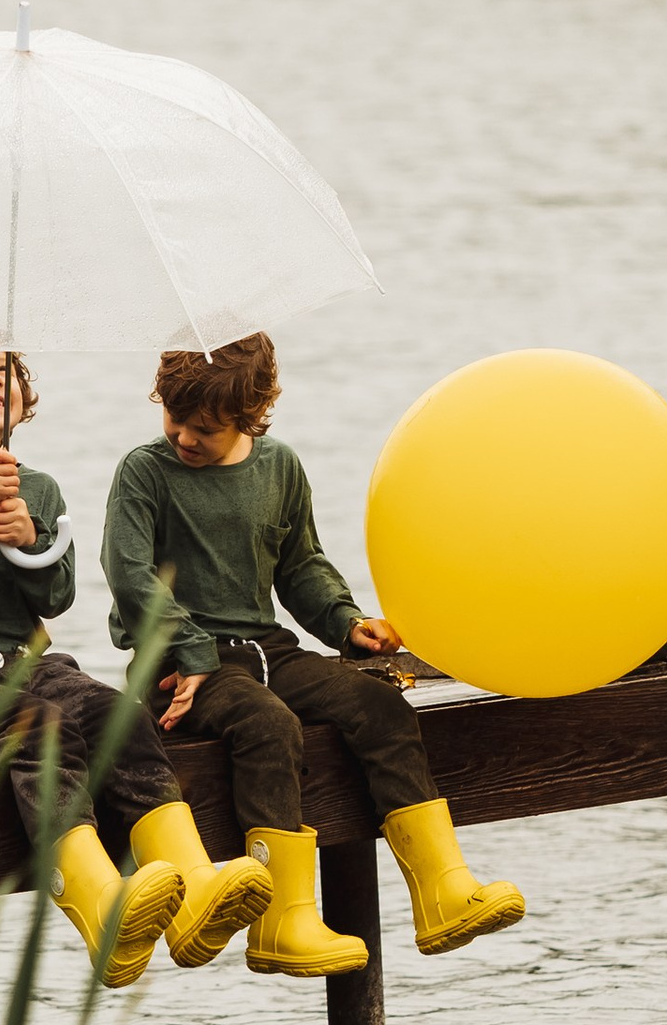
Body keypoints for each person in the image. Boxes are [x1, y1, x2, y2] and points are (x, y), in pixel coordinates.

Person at [101, 334, 524, 978]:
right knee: (268, 725)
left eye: (206, 429)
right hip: (178, 663)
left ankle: (442, 891)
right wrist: (188, 651)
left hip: (266, 649)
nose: (185, 436)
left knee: (380, 706)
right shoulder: (144, 473)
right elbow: (129, 576)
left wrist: (347, 624)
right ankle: (283, 922)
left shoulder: (280, 469)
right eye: (174, 418)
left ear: (251, 417)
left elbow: (301, 567)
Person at [0, 349, 267, 986]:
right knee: (42, 727)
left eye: (4, 370)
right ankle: (99, 904)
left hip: (29, 664)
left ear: (23, 402)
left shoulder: (39, 487)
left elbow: (55, 595)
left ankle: (193, 887)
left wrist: (28, 542)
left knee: (118, 716)